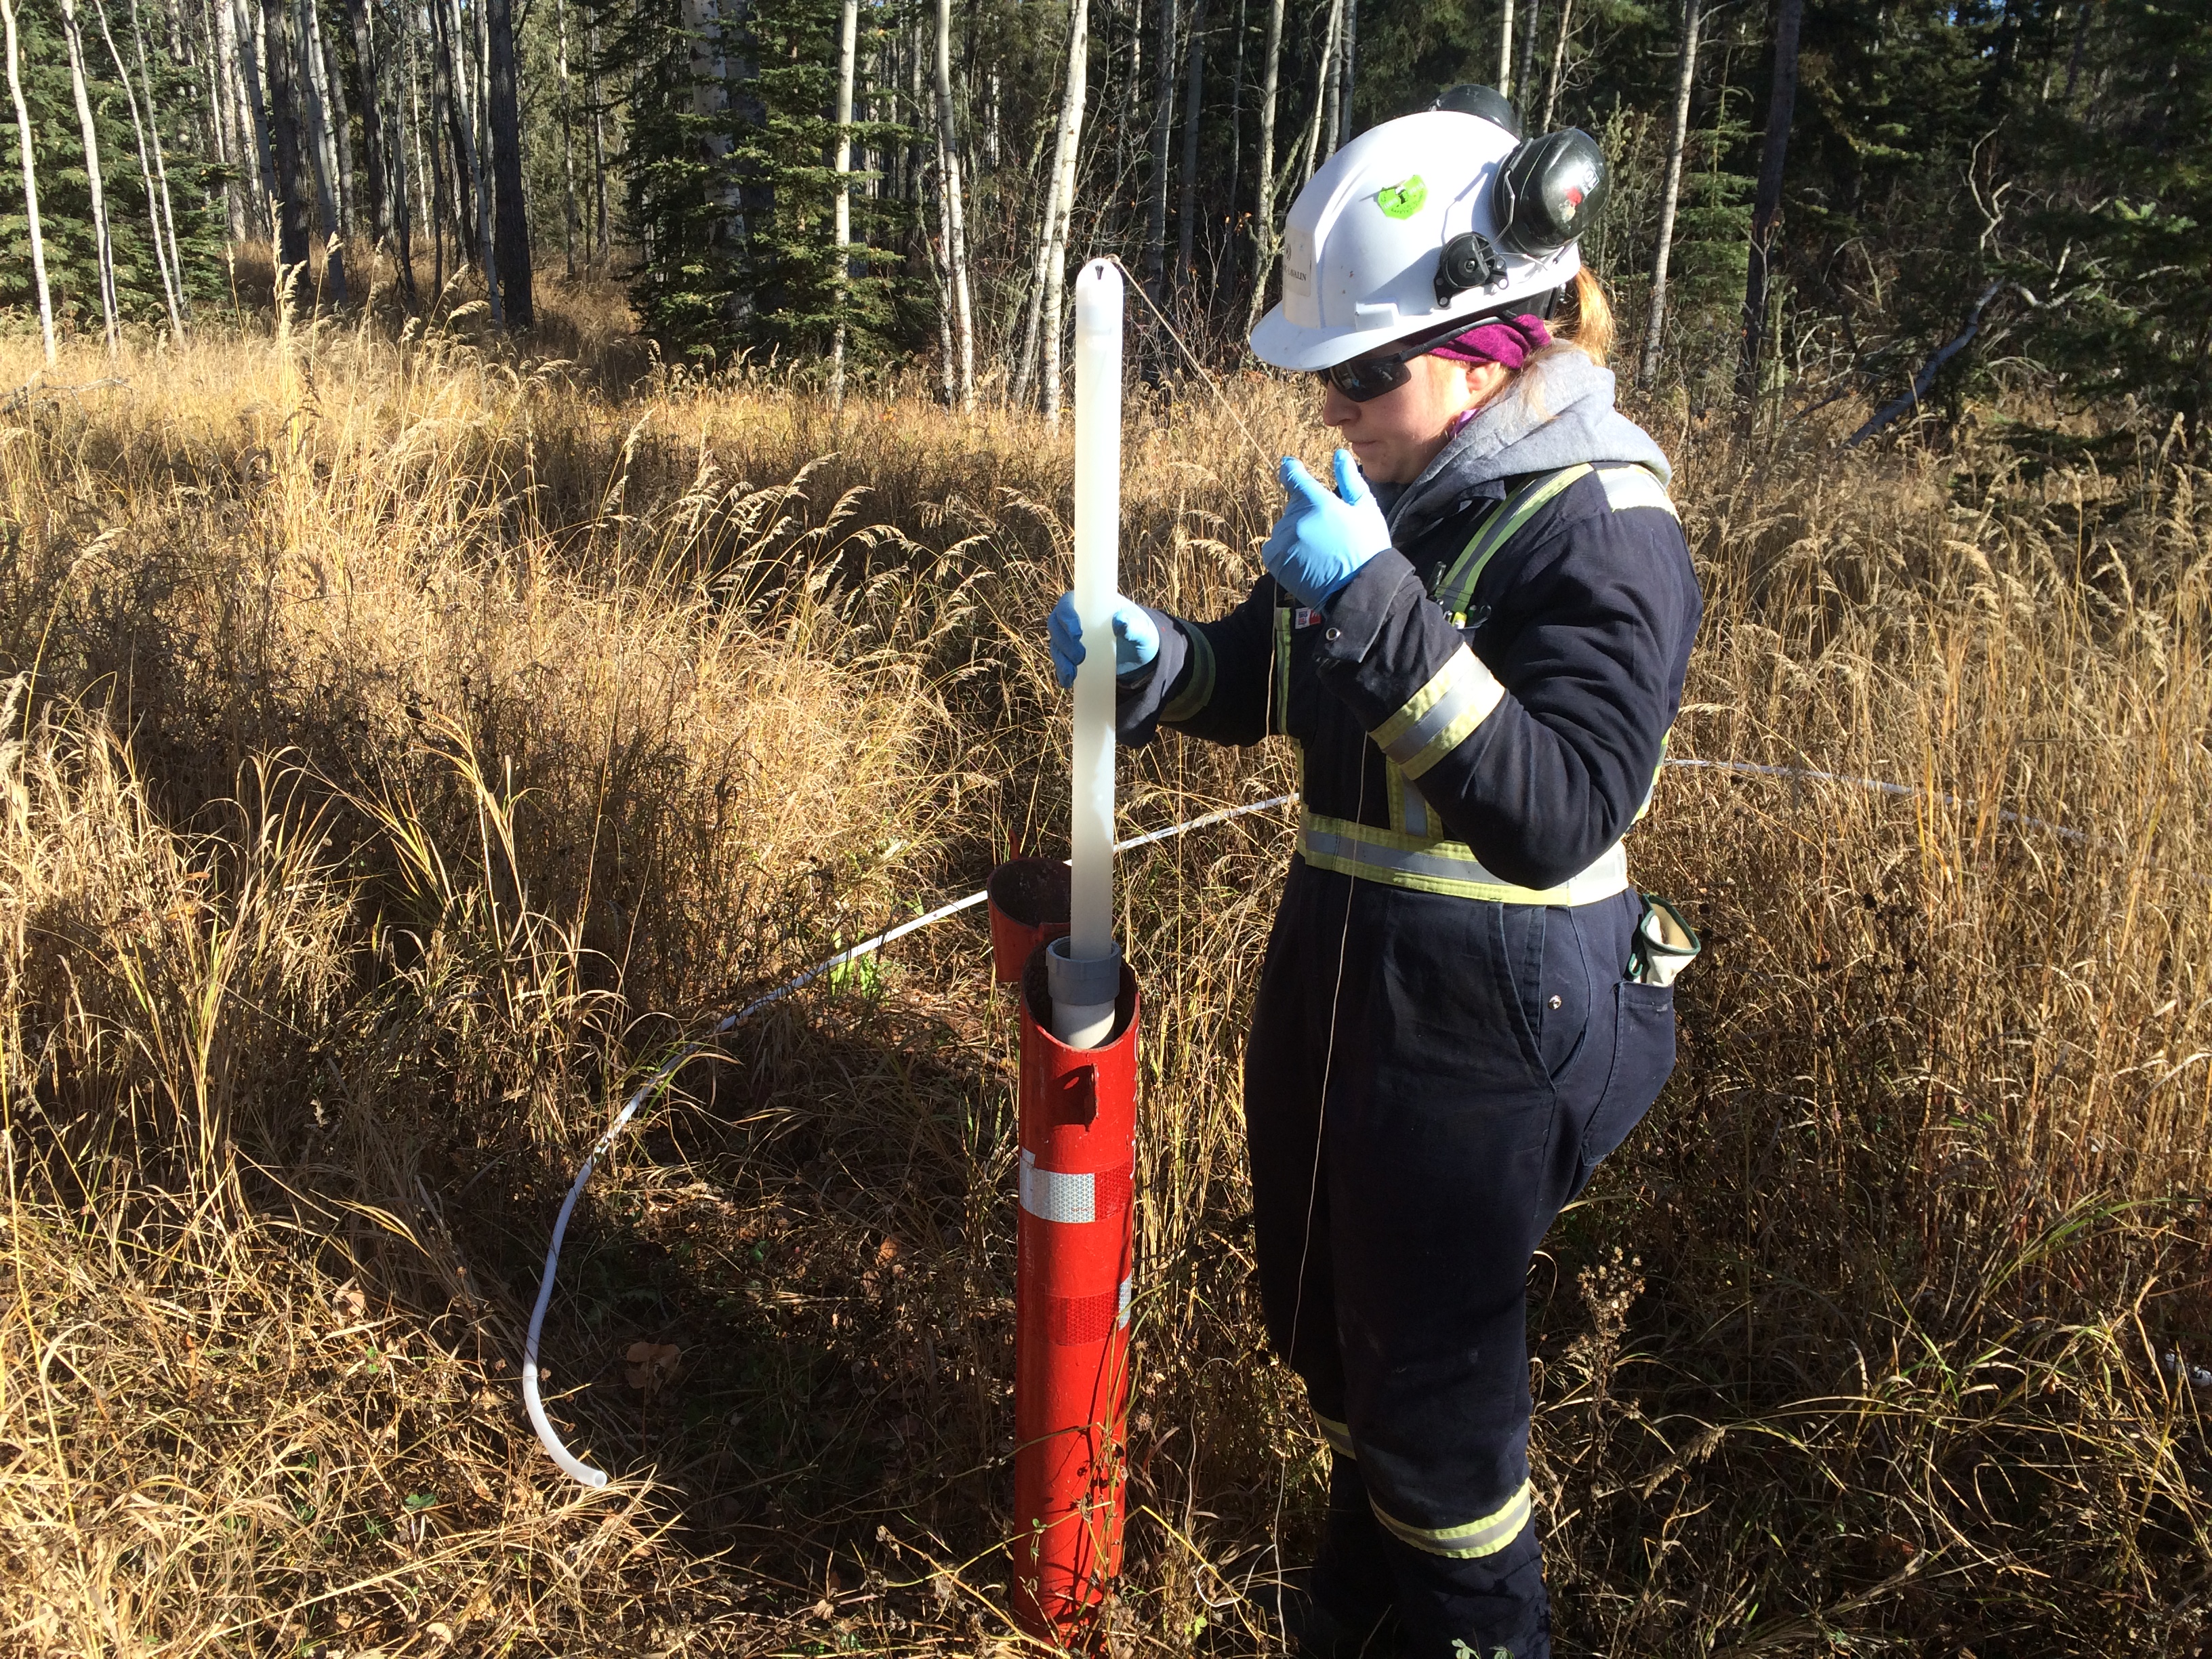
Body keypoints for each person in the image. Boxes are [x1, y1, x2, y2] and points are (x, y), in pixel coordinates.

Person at [1047, 92, 1702, 1658]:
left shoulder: (1602, 523)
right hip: (1364, 987)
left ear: (1492, 346)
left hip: (1501, 1019)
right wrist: (1167, 665)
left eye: (1362, 371)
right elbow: (1282, 674)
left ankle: (1479, 1628)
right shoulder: (1414, 495)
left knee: (1437, 1405)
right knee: (1356, 1343)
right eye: (1322, 372)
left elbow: (1559, 804)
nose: (1334, 403)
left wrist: (1383, 612)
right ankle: (1351, 1613)